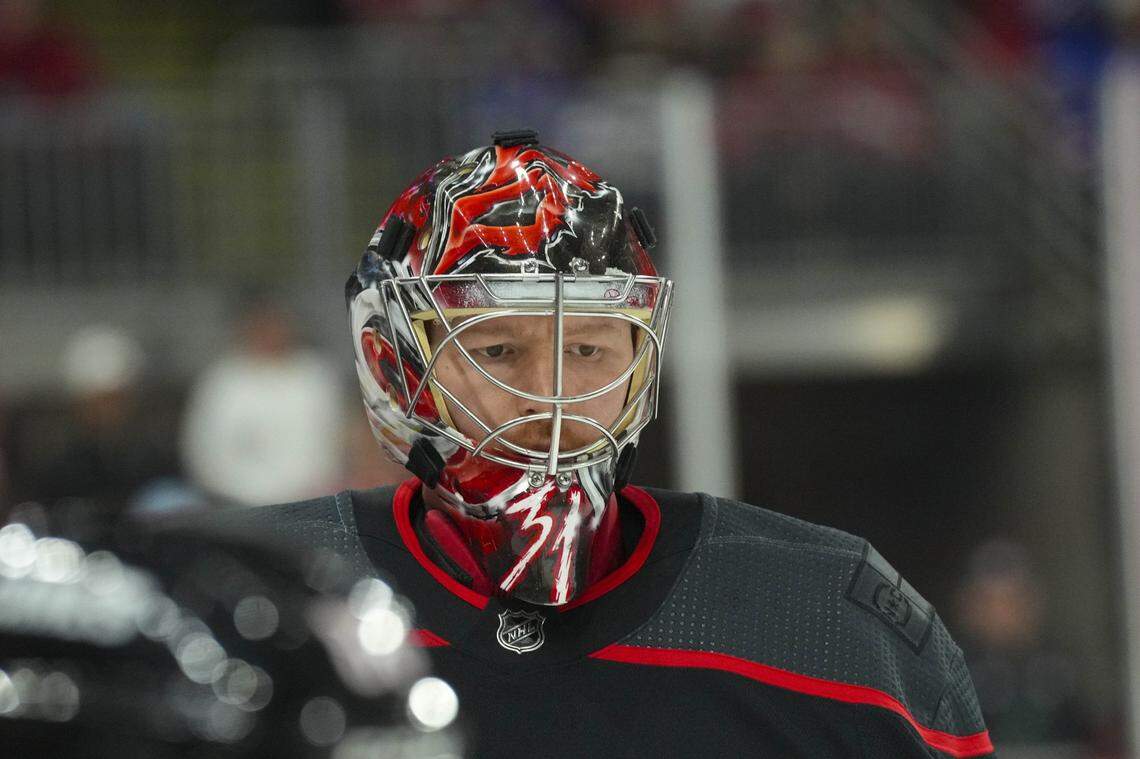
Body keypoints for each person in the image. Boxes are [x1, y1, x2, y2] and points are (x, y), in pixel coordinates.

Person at [223, 130, 994, 757]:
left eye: (589, 349)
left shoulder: (838, 626)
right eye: (497, 351)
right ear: (396, 365)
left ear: (640, 362)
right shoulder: (251, 603)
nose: (550, 394)